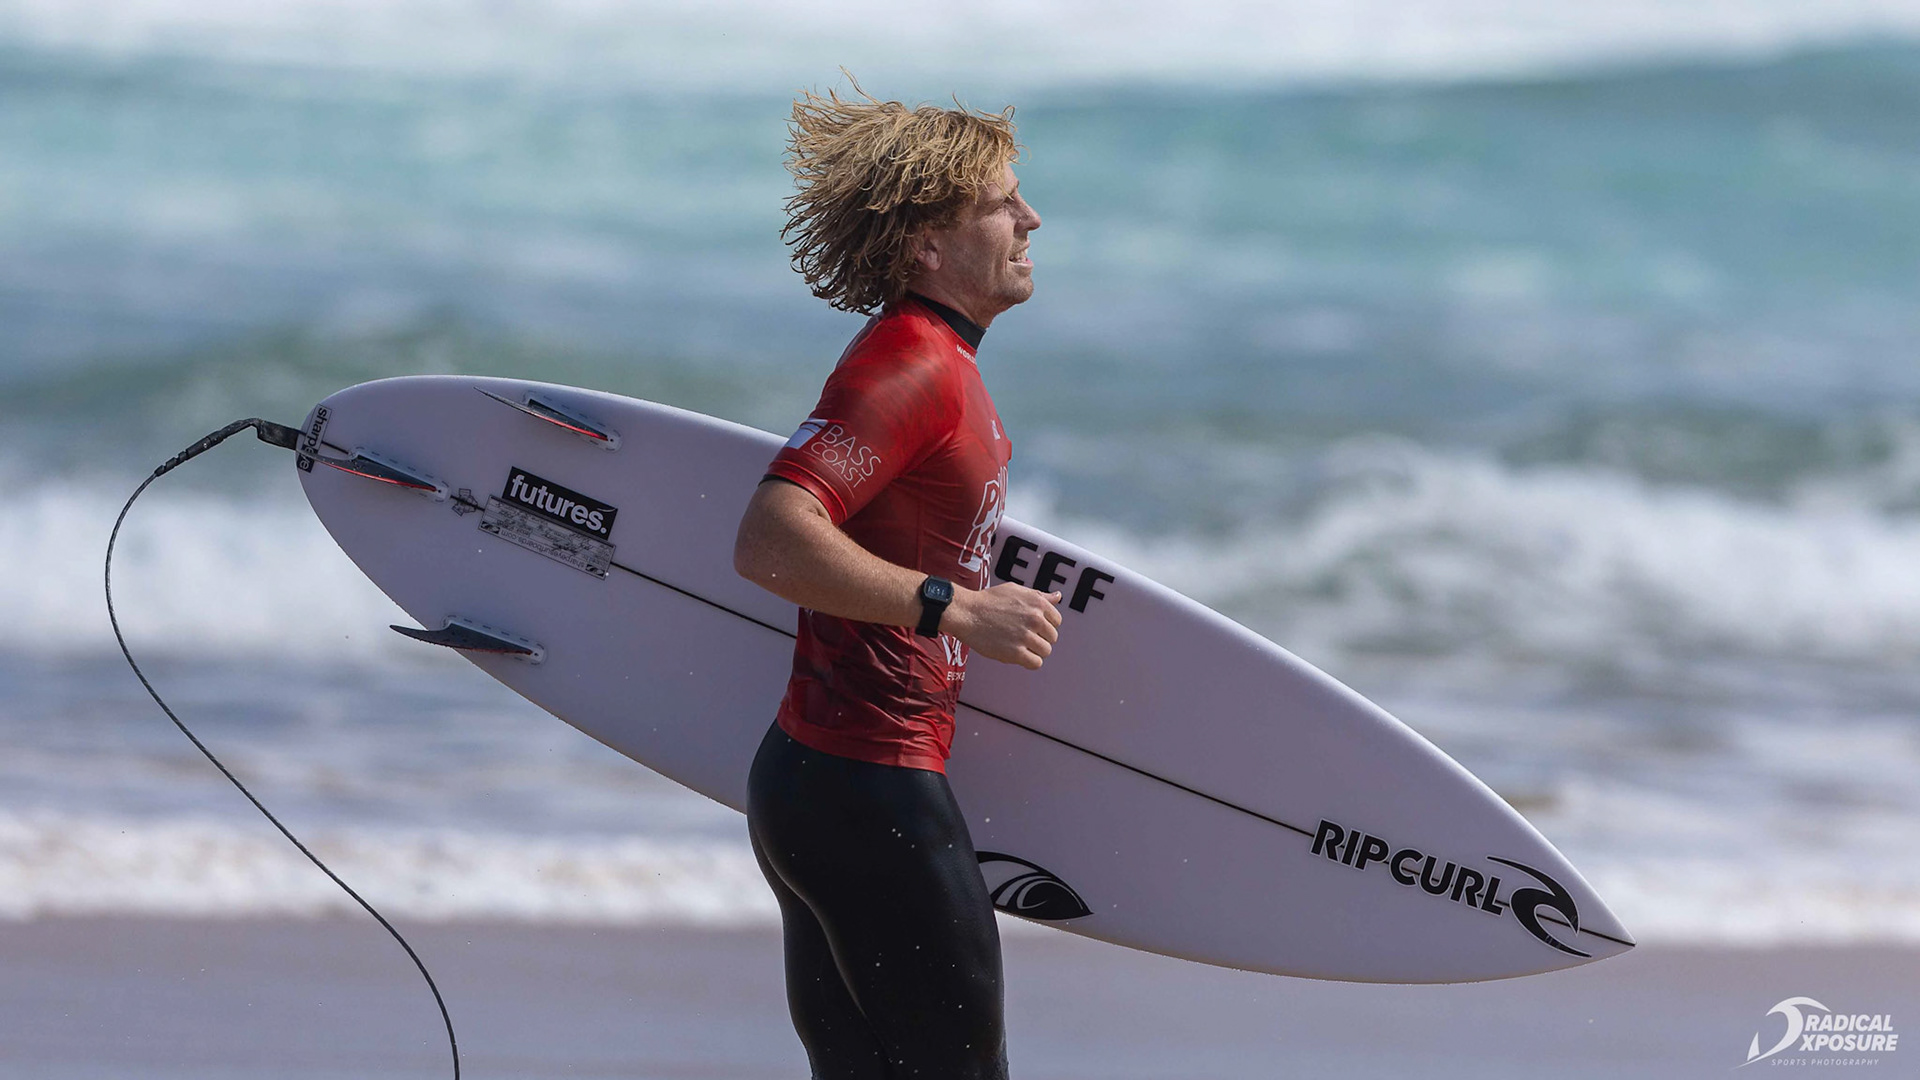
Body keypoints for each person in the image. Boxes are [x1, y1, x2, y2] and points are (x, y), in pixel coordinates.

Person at [732, 81, 1057, 1080]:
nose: (1030, 218)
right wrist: (956, 610)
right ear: (927, 246)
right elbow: (772, 537)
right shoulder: (914, 366)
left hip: (822, 784)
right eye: (1002, 202)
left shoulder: (936, 361)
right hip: (869, 790)